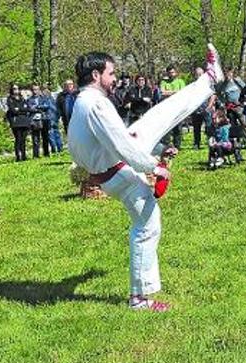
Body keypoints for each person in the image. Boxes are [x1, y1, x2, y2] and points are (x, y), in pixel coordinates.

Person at [67, 45, 223, 312]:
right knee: (148, 227)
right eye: (111, 73)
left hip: (113, 168)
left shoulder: (83, 102)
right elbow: (122, 145)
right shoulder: (95, 105)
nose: (115, 78)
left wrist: (159, 149)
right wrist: (154, 166)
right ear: (96, 75)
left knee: (160, 115)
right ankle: (139, 298)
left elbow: (117, 141)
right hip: (121, 174)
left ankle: (209, 78)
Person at [160, 64, 187, 149]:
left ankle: (177, 146)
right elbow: (163, 93)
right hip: (167, 108)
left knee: (177, 128)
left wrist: (169, 92)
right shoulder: (163, 82)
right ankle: (166, 145)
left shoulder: (181, 82)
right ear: (167, 73)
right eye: (169, 73)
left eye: (173, 72)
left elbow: (183, 93)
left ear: (176, 72)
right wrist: (175, 92)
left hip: (178, 107)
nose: (171, 74)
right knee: (167, 127)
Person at [6, 83, 32, 162]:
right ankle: (18, 156)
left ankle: (24, 156)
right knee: (18, 139)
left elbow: (27, 108)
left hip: (24, 122)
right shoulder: (10, 99)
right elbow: (13, 110)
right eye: (14, 88)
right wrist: (21, 109)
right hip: (16, 122)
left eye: (17, 88)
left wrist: (19, 109)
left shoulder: (22, 98)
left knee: (23, 140)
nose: (16, 90)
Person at [27, 83, 50, 158]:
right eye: (33, 89)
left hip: (44, 119)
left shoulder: (44, 98)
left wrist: (37, 107)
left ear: (39, 90)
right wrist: (39, 109)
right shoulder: (29, 99)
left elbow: (47, 106)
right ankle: (36, 155)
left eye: (36, 89)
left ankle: (46, 153)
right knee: (35, 138)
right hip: (34, 120)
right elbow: (29, 109)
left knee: (45, 137)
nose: (35, 91)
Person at [42, 85, 63, 154]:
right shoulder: (53, 98)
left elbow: (46, 106)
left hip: (49, 118)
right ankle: (60, 148)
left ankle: (54, 149)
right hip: (55, 117)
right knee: (57, 133)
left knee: (51, 134)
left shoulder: (46, 98)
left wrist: (38, 106)